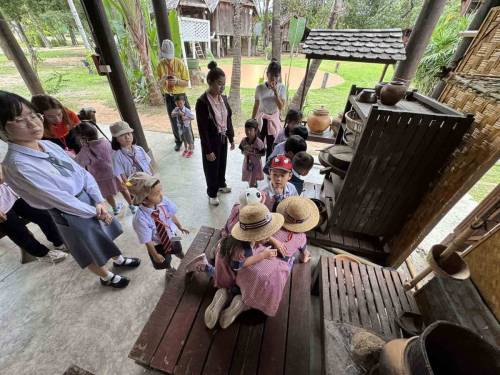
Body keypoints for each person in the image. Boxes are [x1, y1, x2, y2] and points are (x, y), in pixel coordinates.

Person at [0, 91, 140, 289]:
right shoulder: (17, 164)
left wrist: (98, 200)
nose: (32, 124)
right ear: (3, 129)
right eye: (18, 120)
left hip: (89, 200)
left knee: (103, 235)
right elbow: (58, 199)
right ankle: (106, 276)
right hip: (68, 211)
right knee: (87, 248)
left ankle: (118, 259)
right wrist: (95, 211)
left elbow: (81, 173)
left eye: (33, 115)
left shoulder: (47, 145)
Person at [217, 198, 319, 328]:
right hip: (275, 265)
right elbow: (304, 255)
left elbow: (258, 240)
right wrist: (304, 257)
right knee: (274, 285)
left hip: (254, 260)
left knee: (246, 275)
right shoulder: (301, 237)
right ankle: (247, 304)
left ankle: (234, 293)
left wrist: (270, 241)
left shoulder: (270, 228)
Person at [204, 203, 284, 329]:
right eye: (266, 234)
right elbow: (238, 266)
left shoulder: (243, 238)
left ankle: (222, 295)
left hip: (223, 251)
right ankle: (234, 294)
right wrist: (262, 256)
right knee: (235, 284)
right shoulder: (242, 250)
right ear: (256, 236)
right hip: (228, 269)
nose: (270, 237)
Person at [128, 172, 189, 271]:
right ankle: (169, 268)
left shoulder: (163, 201)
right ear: (144, 200)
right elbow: (148, 241)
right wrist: (155, 255)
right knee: (164, 261)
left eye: (160, 190)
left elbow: (171, 215)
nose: (161, 195)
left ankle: (183, 258)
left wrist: (179, 226)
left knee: (178, 248)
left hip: (172, 235)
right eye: (157, 194)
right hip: (157, 244)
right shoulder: (140, 219)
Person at [195, 61, 235, 206]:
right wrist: (208, 149)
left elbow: (228, 118)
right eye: (219, 84)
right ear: (210, 82)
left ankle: (221, 184)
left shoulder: (223, 98)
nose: (222, 87)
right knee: (211, 167)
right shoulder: (202, 102)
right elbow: (202, 129)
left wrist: (231, 137)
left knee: (222, 163)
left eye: (224, 84)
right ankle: (212, 193)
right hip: (211, 141)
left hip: (222, 137)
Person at [0, 182, 68, 263]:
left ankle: (59, 241)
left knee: (42, 215)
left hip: (12, 191)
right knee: (18, 231)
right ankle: (42, 254)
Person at [75, 122, 128, 215]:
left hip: (100, 178)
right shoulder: (106, 142)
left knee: (108, 194)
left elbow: (78, 163)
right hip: (115, 173)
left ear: (82, 138)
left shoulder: (85, 150)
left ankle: (115, 208)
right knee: (123, 189)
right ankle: (132, 205)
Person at [157, 39, 192, 152]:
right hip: (169, 96)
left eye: (170, 56)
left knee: (186, 118)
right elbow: (159, 84)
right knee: (173, 119)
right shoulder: (160, 65)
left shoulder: (180, 63)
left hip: (180, 95)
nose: (168, 58)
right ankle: (178, 141)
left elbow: (186, 82)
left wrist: (177, 81)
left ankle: (190, 140)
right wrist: (163, 80)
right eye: (166, 56)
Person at [111, 121, 153, 214]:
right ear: (116, 139)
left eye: (129, 133)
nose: (127, 137)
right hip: (137, 187)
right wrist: (133, 190)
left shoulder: (139, 149)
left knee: (156, 200)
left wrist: (153, 178)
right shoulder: (117, 157)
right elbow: (123, 178)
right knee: (146, 208)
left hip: (149, 181)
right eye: (122, 135)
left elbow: (149, 165)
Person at [251, 59, 286, 159]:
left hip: (273, 121)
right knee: (258, 145)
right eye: (272, 75)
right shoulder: (259, 88)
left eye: (276, 76)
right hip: (261, 120)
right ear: (267, 74)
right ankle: (255, 166)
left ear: (279, 76)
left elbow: (281, 107)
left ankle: (268, 169)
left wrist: (275, 92)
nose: (274, 78)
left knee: (271, 147)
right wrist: (252, 120)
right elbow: (256, 104)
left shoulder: (281, 88)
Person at [275, 196, 319, 265]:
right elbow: (303, 258)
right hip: (279, 265)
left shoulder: (273, 225)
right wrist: (305, 257)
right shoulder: (301, 237)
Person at [239, 119, 265, 188]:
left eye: (250, 130)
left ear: (256, 131)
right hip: (247, 163)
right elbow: (241, 151)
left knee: (254, 176)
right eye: (246, 130)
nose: (248, 132)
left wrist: (254, 153)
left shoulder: (259, 143)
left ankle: (253, 187)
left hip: (256, 164)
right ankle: (252, 184)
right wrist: (244, 151)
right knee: (248, 175)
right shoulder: (243, 141)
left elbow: (263, 153)